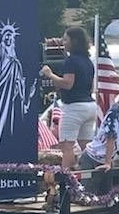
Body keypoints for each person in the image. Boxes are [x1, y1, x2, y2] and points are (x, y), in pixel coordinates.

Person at [40, 27, 95, 170]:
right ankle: (88, 177)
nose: (63, 42)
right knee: (85, 147)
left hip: (74, 107)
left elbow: (67, 84)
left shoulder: (70, 61)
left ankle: (66, 178)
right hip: (90, 105)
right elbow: (91, 87)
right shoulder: (88, 61)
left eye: (65, 39)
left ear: (74, 41)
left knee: (67, 146)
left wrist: (50, 74)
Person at [80, 88, 119, 192]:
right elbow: (110, 139)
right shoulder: (113, 114)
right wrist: (107, 163)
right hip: (91, 157)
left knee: (106, 193)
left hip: (107, 159)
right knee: (88, 192)